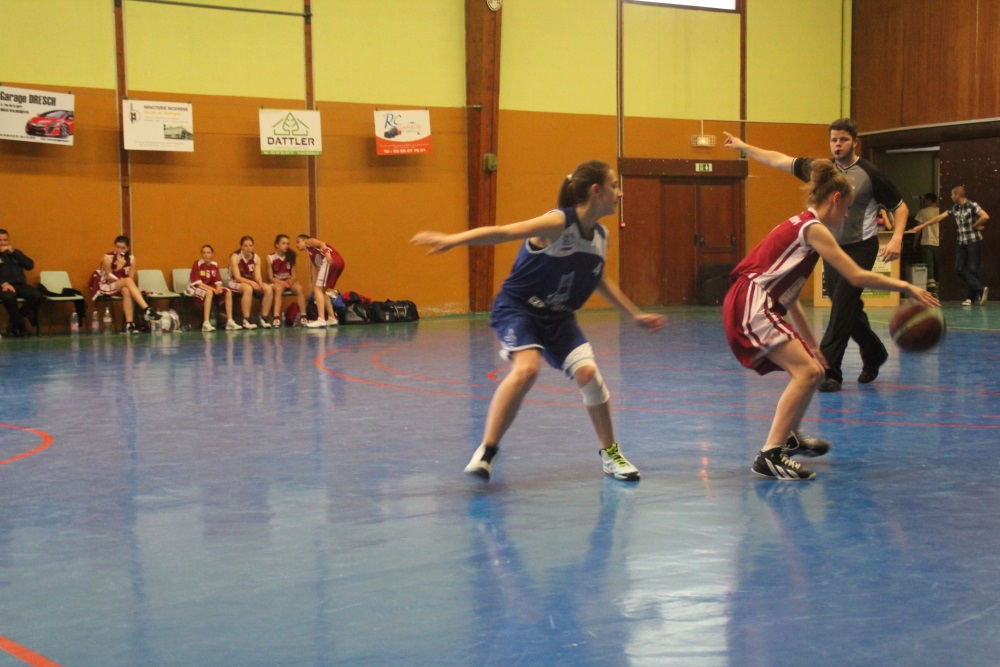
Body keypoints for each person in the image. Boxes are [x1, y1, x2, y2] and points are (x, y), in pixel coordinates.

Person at [411, 160, 666, 482]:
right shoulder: (558, 222)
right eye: (614, 186)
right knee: (527, 369)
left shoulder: (601, 236)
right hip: (519, 309)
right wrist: (454, 239)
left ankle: (610, 454)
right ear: (596, 191)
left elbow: (600, 280)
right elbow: (504, 232)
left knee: (589, 374)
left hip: (558, 317)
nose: (620, 192)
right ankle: (487, 450)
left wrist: (635, 314)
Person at [723, 159, 939, 480]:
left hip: (754, 300)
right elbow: (855, 275)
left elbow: (790, 297)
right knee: (808, 372)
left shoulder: (800, 225)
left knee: (813, 368)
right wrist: (906, 286)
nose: (847, 216)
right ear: (836, 199)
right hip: (752, 302)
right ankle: (770, 454)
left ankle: (789, 437)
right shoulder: (813, 228)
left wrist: (812, 344)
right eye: (848, 208)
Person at [723, 118, 908, 393]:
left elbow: (900, 207)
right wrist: (743, 146)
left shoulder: (871, 174)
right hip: (830, 245)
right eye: (834, 140)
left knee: (842, 304)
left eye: (843, 140)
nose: (838, 145)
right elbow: (778, 159)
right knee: (845, 305)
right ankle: (874, 351)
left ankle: (830, 371)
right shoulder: (822, 172)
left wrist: (897, 237)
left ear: (855, 142)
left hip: (861, 246)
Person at [911, 186, 989, 306]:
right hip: (962, 242)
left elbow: (985, 216)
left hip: (973, 241)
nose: (951, 197)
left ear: (958, 195)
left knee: (973, 269)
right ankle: (980, 288)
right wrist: (922, 226)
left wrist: (975, 225)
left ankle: (970, 298)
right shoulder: (955, 208)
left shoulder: (972, 205)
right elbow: (938, 218)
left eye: (952, 194)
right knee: (958, 269)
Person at [93, 235, 162, 334]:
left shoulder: (131, 259)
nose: (119, 250)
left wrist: (125, 282)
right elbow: (109, 277)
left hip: (123, 284)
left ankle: (129, 324)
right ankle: (147, 310)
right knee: (127, 282)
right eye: (117, 247)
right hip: (107, 285)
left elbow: (131, 277)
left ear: (127, 248)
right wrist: (119, 268)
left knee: (126, 290)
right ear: (114, 246)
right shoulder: (107, 257)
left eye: (123, 248)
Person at [295, 234, 345, 328]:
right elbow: (315, 278)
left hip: (330, 259)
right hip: (339, 262)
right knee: (321, 291)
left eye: (298, 242)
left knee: (318, 289)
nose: (296, 245)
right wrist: (309, 293)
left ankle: (321, 319)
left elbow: (321, 243)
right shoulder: (312, 256)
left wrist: (326, 253)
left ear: (304, 240)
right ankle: (332, 318)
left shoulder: (308, 242)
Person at [0, 229, 42, 337]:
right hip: (3, 286)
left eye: (5, 240)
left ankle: (14, 321)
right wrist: (4, 283)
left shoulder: (16, 253)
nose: (3, 243)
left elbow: (29, 265)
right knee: (9, 297)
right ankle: (22, 327)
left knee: (36, 295)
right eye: (0, 240)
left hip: (20, 284)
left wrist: (13, 253)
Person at [187, 244, 238, 331]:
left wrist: (218, 287)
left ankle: (230, 321)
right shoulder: (197, 264)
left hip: (210, 287)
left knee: (227, 291)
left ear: (212, 254)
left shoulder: (215, 264)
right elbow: (199, 283)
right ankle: (206, 323)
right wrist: (213, 289)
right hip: (194, 287)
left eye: (208, 253)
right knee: (209, 292)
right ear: (201, 254)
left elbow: (217, 280)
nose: (206, 255)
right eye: (204, 253)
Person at [228, 235, 273, 329]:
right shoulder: (235, 257)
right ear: (241, 247)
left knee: (268, 289)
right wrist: (251, 283)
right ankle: (246, 319)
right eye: (245, 246)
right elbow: (237, 277)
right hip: (235, 282)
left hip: (249, 282)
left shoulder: (256, 258)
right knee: (248, 289)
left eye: (250, 245)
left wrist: (260, 283)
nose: (248, 248)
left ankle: (263, 318)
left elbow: (257, 276)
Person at [266, 234, 307, 327]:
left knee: (299, 289)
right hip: (276, 282)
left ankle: (303, 316)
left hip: (288, 281)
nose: (286, 245)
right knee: (278, 289)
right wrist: (282, 283)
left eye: (287, 244)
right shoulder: (270, 258)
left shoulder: (291, 256)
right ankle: (276, 317)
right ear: (277, 245)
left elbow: (294, 275)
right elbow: (270, 277)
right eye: (283, 243)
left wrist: (291, 281)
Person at [912, 193, 940, 296]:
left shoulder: (922, 212)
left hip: (926, 242)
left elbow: (918, 229)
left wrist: (915, 242)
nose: (924, 202)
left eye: (925, 200)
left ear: (929, 200)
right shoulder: (940, 211)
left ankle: (932, 290)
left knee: (929, 266)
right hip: (938, 242)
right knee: (939, 265)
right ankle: (940, 286)